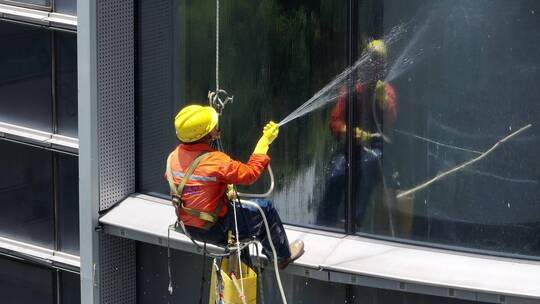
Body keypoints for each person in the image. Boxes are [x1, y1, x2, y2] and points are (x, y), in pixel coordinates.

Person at [165, 104, 304, 269]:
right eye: (214, 126)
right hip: (217, 228)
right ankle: (281, 256)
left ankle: (246, 265)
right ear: (206, 134)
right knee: (265, 210)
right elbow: (250, 174)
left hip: (189, 227)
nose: (217, 128)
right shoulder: (216, 161)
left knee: (237, 217)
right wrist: (264, 142)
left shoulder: (173, 157)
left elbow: (195, 185)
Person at [317, 39, 398, 227]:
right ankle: (324, 223)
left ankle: (353, 222)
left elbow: (392, 120)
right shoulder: (351, 90)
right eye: (369, 59)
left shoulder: (386, 91)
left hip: (377, 149)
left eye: (376, 60)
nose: (371, 63)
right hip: (351, 146)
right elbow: (334, 122)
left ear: (382, 66)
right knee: (336, 171)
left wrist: (383, 101)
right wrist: (351, 132)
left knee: (367, 166)